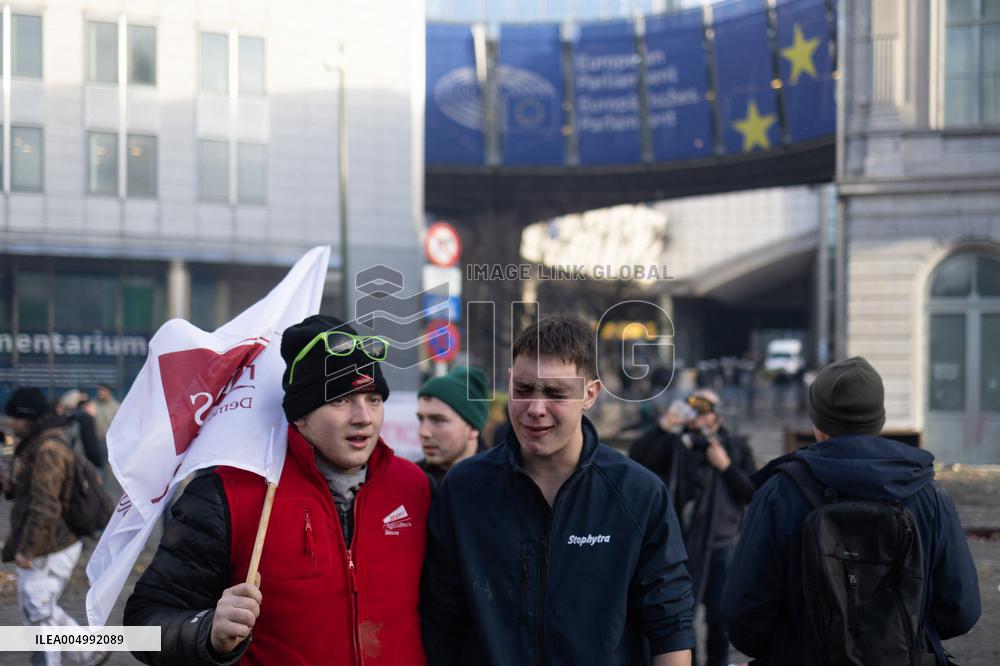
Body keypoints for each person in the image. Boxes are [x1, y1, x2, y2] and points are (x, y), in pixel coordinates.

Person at [125, 315, 432, 665]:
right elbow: (139, 627)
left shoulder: (415, 487)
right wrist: (208, 632)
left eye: (374, 399)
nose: (364, 416)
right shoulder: (227, 494)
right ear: (300, 415)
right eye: (341, 399)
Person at [421, 314, 695, 665]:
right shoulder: (464, 489)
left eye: (555, 393)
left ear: (590, 394)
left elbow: (670, 626)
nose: (536, 409)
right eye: (523, 389)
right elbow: (440, 621)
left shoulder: (638, 493)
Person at [722, 357, 981, 665]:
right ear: (879, 420)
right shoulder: (928, 493)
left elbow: (744, 617)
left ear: (818, 424)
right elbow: (961, 611)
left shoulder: (778, 493)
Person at [630, 389, 755, 666]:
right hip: (682, 547)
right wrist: (664, 425)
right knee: (681, 617)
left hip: (722, 544)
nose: (697, 415)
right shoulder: (676, 446)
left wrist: (726, 466)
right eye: (692, 409)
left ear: (718, 415)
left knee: (720, 617)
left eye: (704, 410)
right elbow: (637, 457)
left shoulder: (734, 446)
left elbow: (751, 492)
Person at [2, 387, 106, 666]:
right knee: (39, 608)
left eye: (13, 417)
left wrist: (28, 549)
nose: (9, 422)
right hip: (51, 541)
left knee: (38, 614)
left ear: (27, 418)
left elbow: (46, 506)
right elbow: (28, 495)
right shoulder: (37, 444)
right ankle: (89, 652)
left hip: (51, 544)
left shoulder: (48, 449)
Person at [416, 366, 488, 486]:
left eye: (438, 420)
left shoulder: (499, 484)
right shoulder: (411, 480)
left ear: (473, 428)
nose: (424, 432)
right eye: (421, 419)